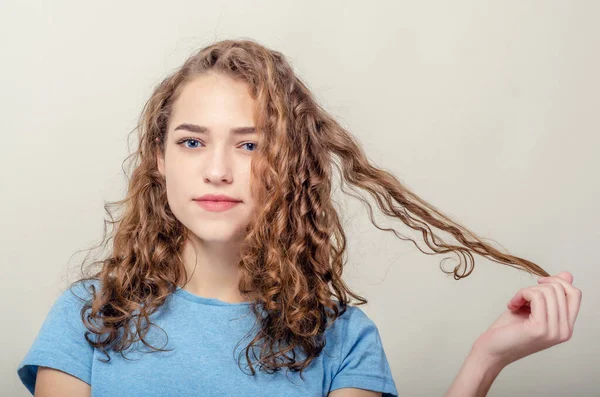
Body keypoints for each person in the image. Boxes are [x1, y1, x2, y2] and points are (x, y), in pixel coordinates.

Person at [17, 39, 582, 397]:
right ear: (160, 160)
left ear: (288, 166)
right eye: (192, 142)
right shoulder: (87, 320)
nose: (217, 170)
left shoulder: (344, 343)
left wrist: (487, 359)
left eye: (249, 146)